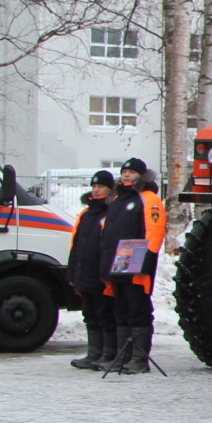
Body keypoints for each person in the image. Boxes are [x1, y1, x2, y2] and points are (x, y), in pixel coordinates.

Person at [98, 158, 167, 375]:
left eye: (131, 172)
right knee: (121, 308)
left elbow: (154, 230)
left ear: (141, 175)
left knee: (138, 308)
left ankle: (139, 358)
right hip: (118, 264)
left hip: (137, 263)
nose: (126, 175)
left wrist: (147, 260)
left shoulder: (148, 198)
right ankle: (123, 355)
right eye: (124, 171)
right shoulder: (118, 199)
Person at [64, 171, 116, 370]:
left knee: (105, 313)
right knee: (90, 314)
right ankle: (94, 352)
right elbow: (76, 245)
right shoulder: (86, 214)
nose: (96, 190)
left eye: (101, 186)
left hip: (101, 273)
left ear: (110, 189)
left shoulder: (110, 212)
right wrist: (72, 273)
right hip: (84, 272)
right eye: (94, 186)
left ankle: (108, 352)